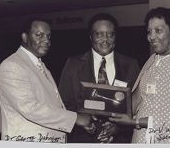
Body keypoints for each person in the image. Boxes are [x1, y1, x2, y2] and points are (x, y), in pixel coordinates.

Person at [109, 7, 170, 143]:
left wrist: (133, 122)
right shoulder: (152, 60)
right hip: (140, 139)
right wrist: (114, 120)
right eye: (149, 32)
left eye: (158, 31)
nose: (151, 37)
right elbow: (136, 99)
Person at [0, 18, 94, 143]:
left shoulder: (41, 66)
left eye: (48, 36)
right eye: (39, 35)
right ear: (25, 37)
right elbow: (30, 108)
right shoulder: (12, 65)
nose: (46, 40)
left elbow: (54, 105)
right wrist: (76, 119)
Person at [58, 13, 140, 143]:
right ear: (91, 37)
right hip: (83, 139)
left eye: (110, 34)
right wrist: (82, 121)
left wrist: (118, 126)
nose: (105, 39)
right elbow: (63, 102)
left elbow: (135, 106)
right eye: (99, 34)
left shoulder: (131, 64)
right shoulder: (73, 64)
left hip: (119, 140)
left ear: (115, 36)